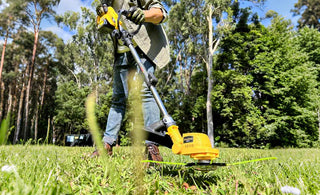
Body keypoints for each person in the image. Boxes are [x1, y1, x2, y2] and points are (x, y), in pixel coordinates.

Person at [92, 0, 170, 161]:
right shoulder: (106, 2)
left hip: (143, 49)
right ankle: (107, 144)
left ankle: (151, 146)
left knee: (147, 92)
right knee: (118, 99)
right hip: (122, 52)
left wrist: (144, 14)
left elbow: (160, 12)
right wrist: (101, 15)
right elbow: (101, 24)